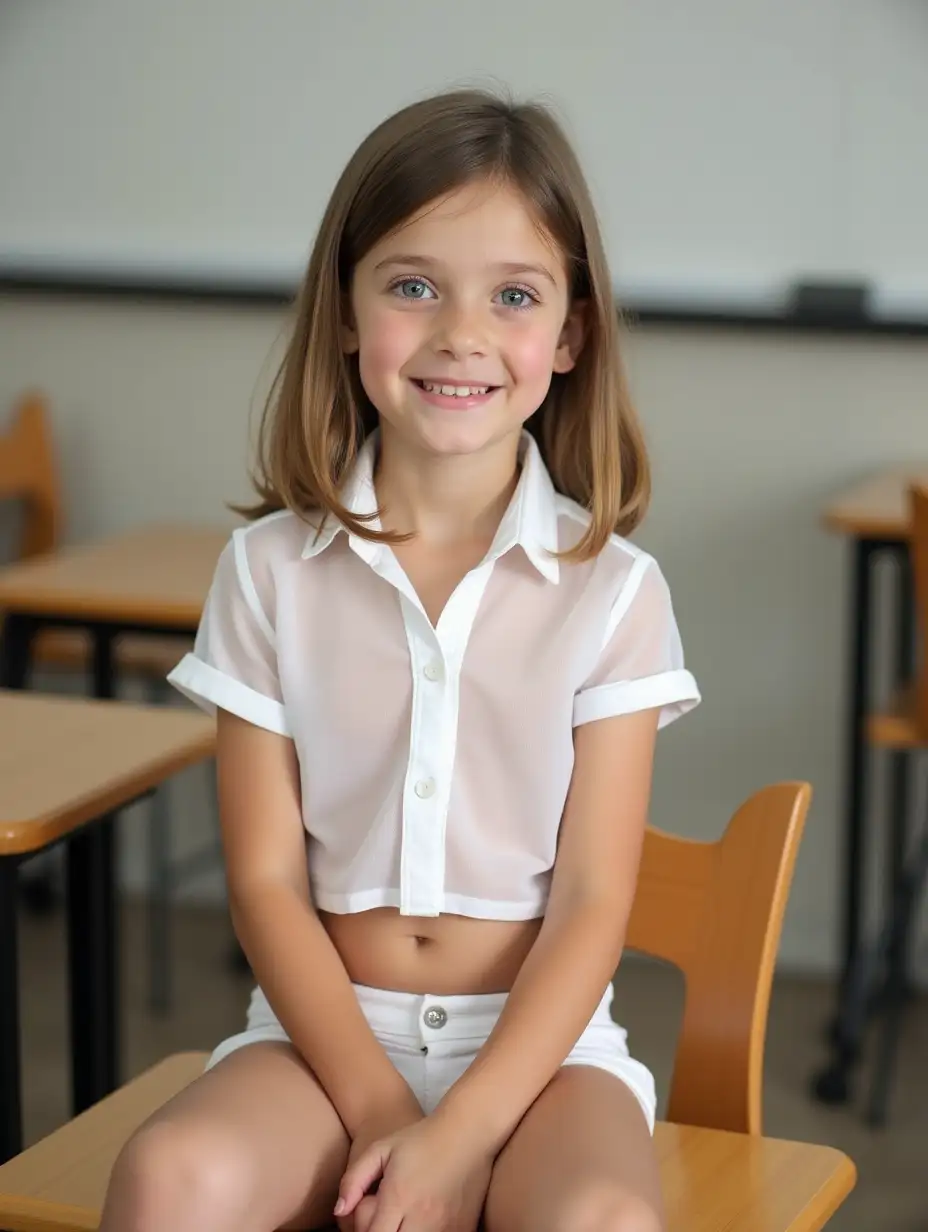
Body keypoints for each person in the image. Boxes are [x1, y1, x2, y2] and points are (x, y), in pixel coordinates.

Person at [100, 87, 700, 1232]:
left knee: (601, 1222)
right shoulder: (267, 570)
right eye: (413, 285)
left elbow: (590, 899)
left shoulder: (616, 590)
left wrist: (464, 1131)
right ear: (344, 310)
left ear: (569, 335)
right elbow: (267, 882)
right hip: (323, 1036)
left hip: (542, 1053)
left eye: (514, 296)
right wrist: (385, 1108)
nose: (460, 333)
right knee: (169, 1176)